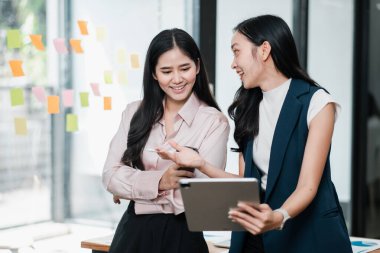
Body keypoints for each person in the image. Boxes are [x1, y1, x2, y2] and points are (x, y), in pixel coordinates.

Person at [157, 15, 352, 253]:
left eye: (236, 51)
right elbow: (247, 185)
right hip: (257, 238)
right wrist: (201, 164)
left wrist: (279, 216)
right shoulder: (248, 107)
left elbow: (308, 186)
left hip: (308, 236)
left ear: (264, 50)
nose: (233, 63)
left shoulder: (317, 103)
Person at [102, 28, 229, 253]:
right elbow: (110, 175)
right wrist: (161, 181)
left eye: (185, 68)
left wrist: (134, 188)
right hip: (133, 234)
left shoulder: (214, 122)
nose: (177, 79)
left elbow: (200, 199)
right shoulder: (134, 113)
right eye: (166, 71)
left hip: (183, 235)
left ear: (197, 67)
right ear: (154, 73)